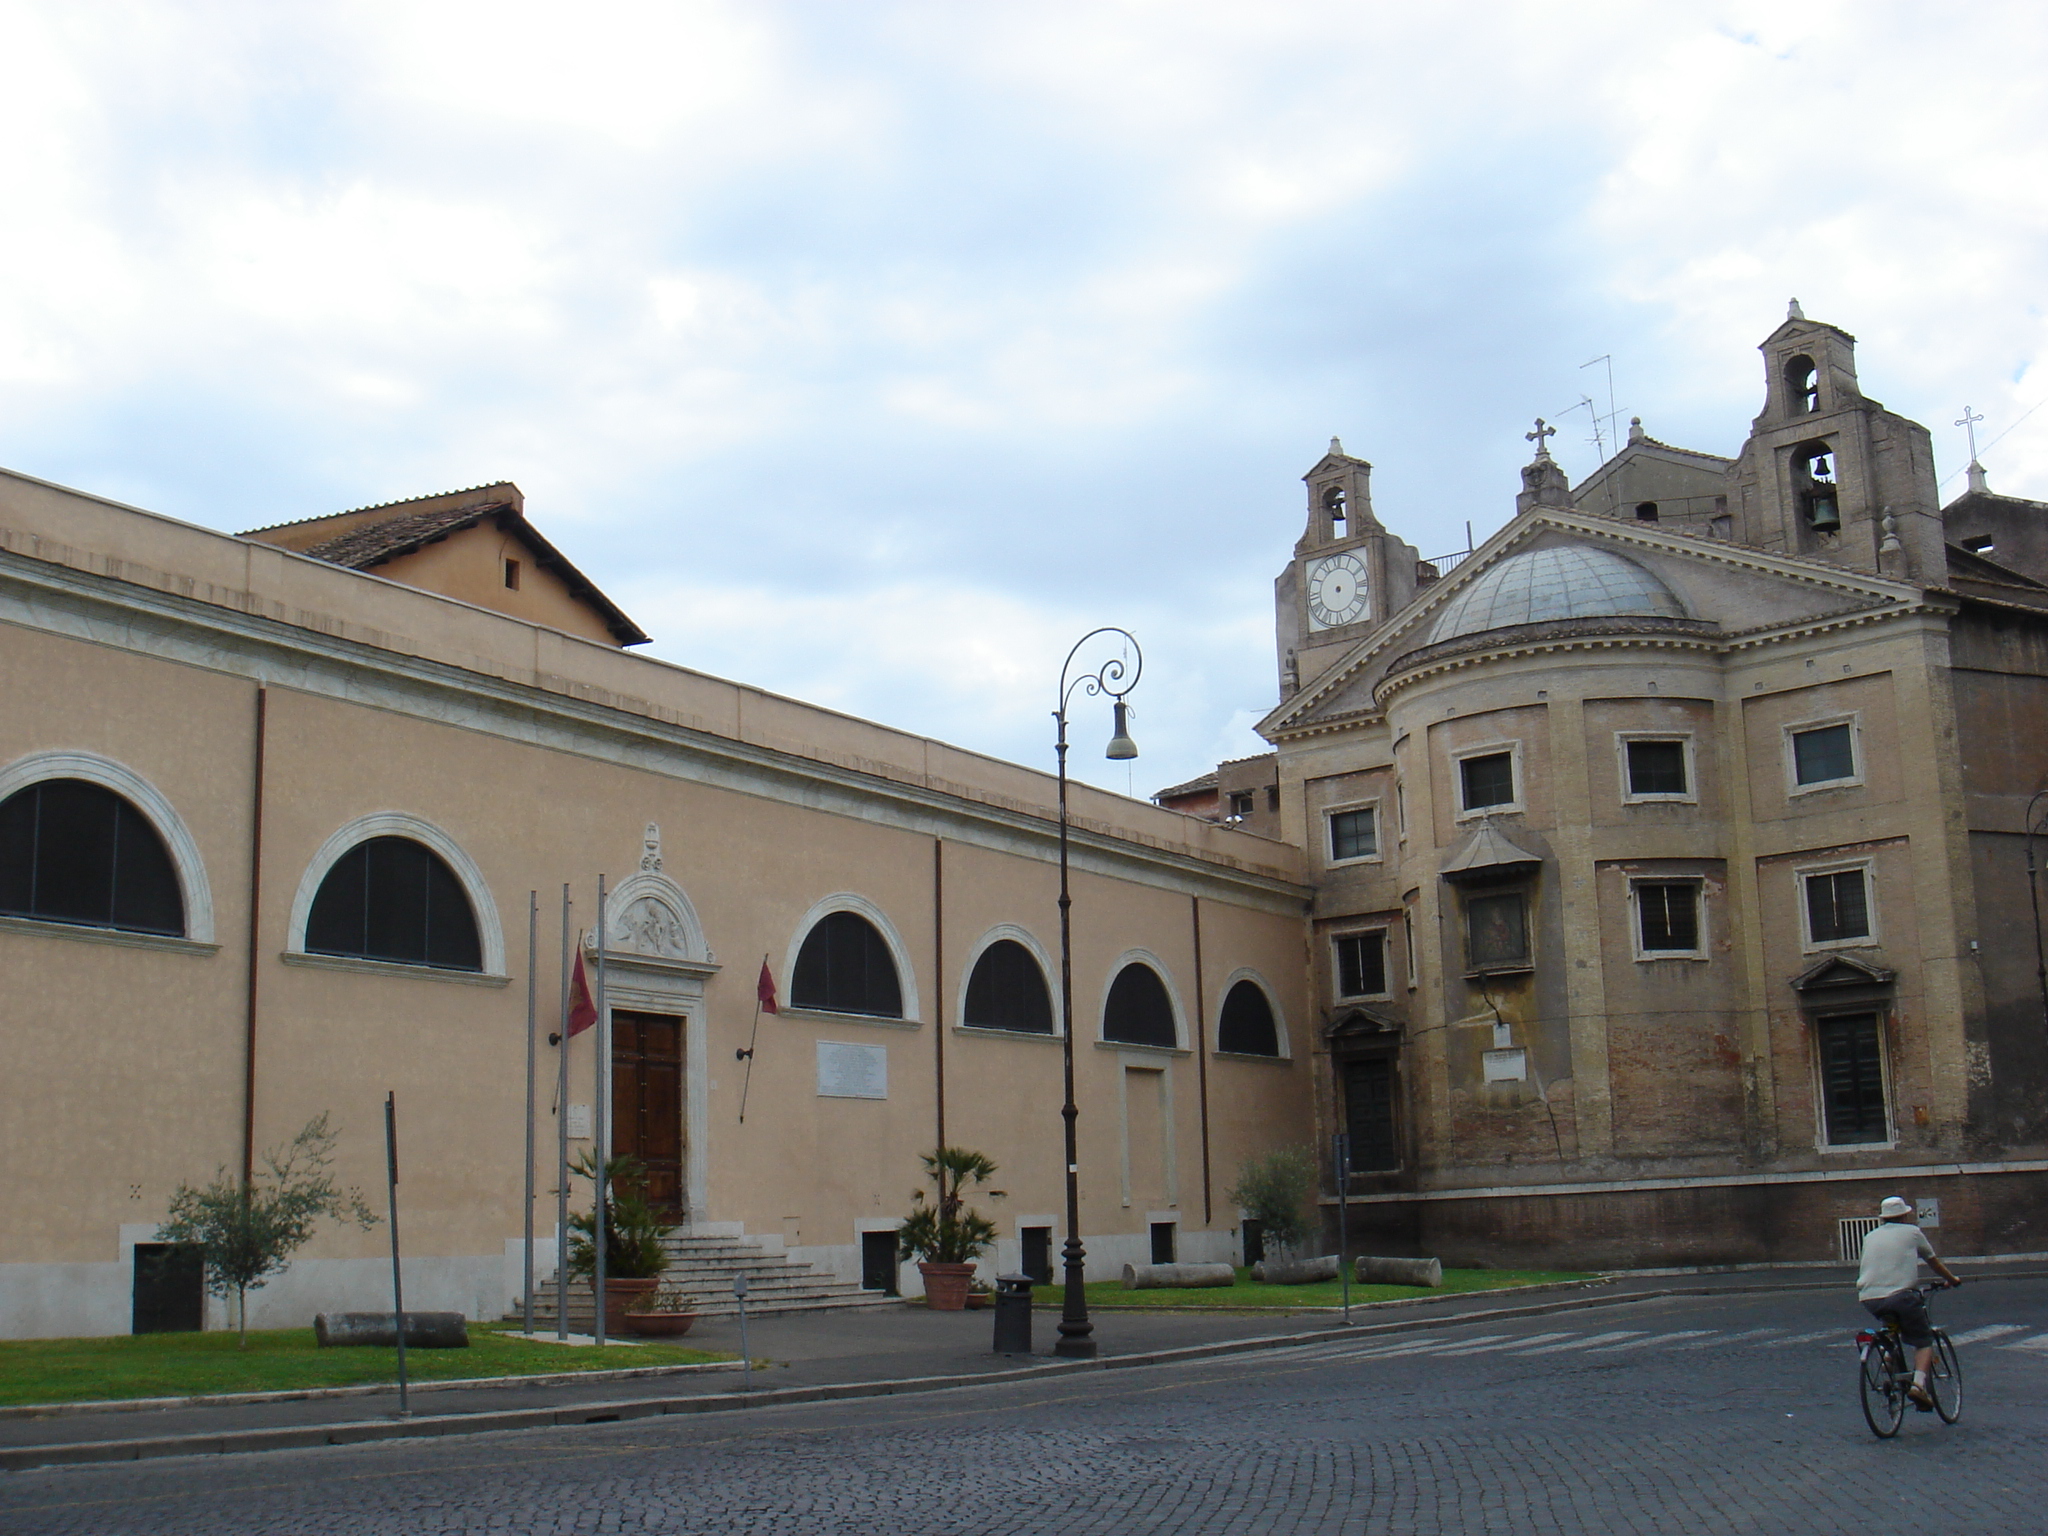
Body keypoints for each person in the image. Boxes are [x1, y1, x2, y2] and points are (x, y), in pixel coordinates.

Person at [1858, 1195, 1961, 1411]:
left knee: (1892, 1325)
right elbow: (1933, 1262)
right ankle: (1918, 1385)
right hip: (1902, 1296)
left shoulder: (1869, 1236)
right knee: (1923, 1340)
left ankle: (1888, 1359)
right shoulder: (1912, 1232)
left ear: (1883, 1218)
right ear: (1905, 1215)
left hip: (1869, 1297)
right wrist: (1952, 1280)